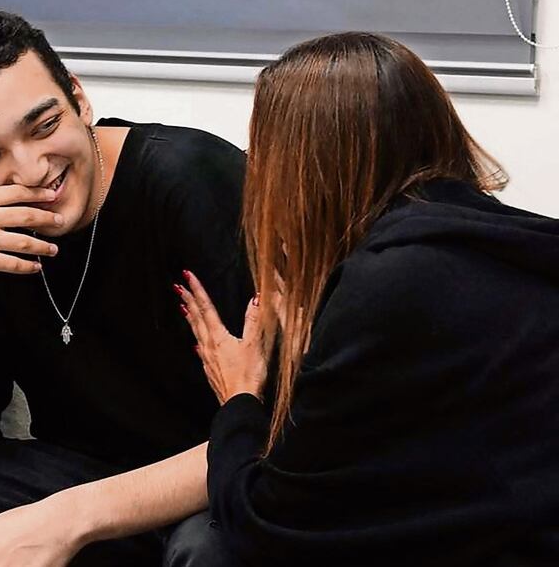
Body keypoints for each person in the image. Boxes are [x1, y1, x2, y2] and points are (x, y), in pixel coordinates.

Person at [0, 8, 254, 566]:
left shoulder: (193, 181)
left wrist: (74, 515)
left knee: (205, 548)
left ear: (79, 100)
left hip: (219, 473)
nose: (31, 170)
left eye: (43, 127)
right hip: (82, 473)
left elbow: (280, 430)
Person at [179, 32, 559, 566]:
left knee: (203, 546)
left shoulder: (390, 285)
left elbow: (268, 523)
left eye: (262, 153)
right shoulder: (489, 238)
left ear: (305, 167)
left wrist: (239, 397)